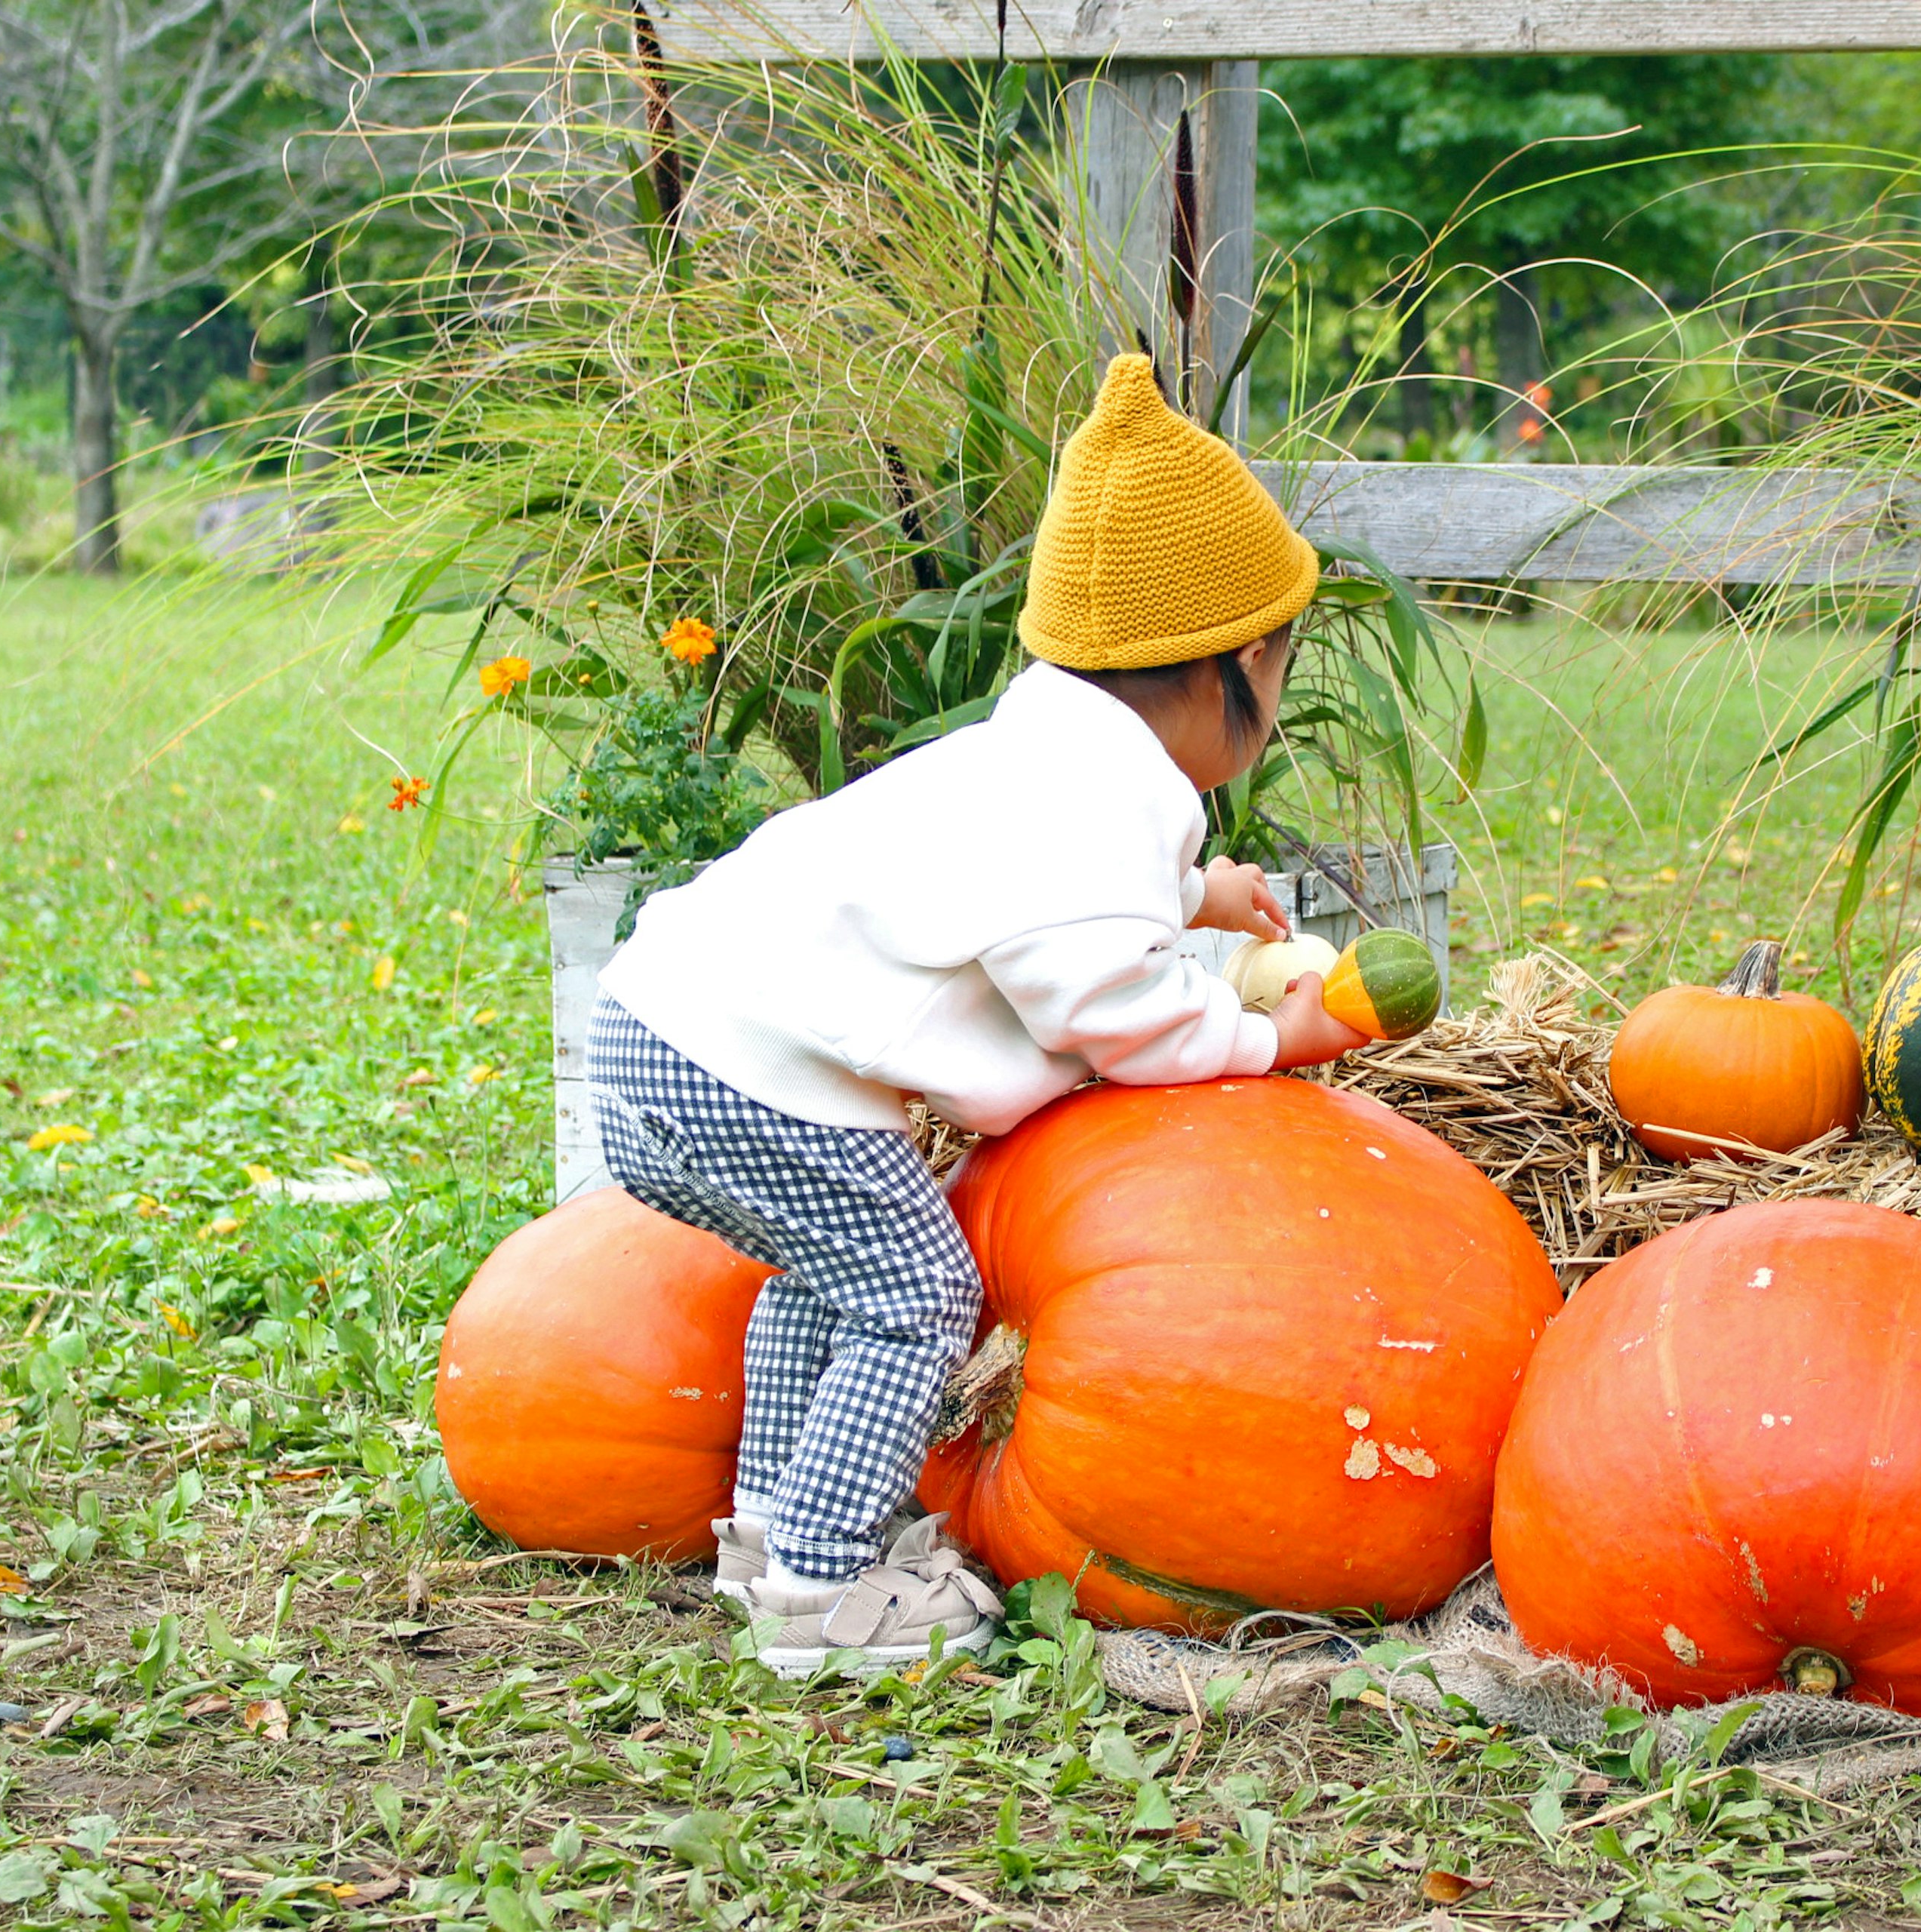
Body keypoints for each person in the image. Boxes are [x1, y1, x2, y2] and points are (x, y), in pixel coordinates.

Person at [586, 355, 1369, 1673]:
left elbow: (1040, 901)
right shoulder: (1091, 799)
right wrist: (1270, 1036)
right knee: (916, 1293)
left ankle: (776, 1532)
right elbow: (1111, 1005)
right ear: (1239, 663)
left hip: (656, 1034)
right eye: (1281, 676)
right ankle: (825, 1598)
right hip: (739, 1077)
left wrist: (1192, 892)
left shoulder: (1045, 758)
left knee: (829, 1278)